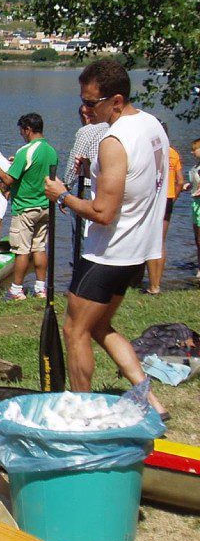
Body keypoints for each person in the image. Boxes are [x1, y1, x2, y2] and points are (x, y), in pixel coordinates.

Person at [43, 59, 169, 419]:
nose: (85, 109)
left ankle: (82, 409)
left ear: (115, 101)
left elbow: (103, 212)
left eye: (91, 102)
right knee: (99, 326)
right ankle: (150, 399)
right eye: (82, 101)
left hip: (109, 252)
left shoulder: (114, 141)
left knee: (75, 329)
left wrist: (62, 195)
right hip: (138, 249)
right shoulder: (152, 126)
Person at [0, 113, 58, 300]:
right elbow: (38, 172)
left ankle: (16, 290)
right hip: (45, 206)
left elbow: (9, 180)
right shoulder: (51, 151)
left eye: (22, 131)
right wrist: (14, 163)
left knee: (21, 250)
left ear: (28, 129)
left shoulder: (25, 151)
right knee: (39, 248)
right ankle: (41, 288)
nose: (21, 135)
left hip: (25, 208)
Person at [143, 122, 185, 294]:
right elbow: (180, 181)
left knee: (150, 241)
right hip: (168, 198)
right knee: (161, 241)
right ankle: (157, 282)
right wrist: (174, 197)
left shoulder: (150, 152)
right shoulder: (173, 153)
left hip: (153, 198)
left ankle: (153, 285)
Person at [63, 104, 109, 191]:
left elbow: (74, 161)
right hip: (105, 185)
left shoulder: (85, 131)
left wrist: (66, 186)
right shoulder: (110, 127)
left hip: (87, 185)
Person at [189, 138, 200, 280]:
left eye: (195, 149)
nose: (192, 152)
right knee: (197, 239)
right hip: (195, 204)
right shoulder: (196, 166)